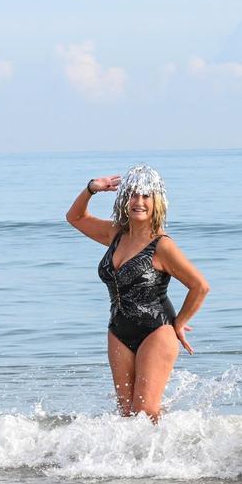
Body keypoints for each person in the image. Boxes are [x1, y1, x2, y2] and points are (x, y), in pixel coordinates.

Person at [65, 165, 209, 422]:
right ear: (124, 199)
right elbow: (75, 218)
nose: (138, 202)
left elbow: (199, 286)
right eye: (133, 195)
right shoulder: (115, 234)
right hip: (118, 331)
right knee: (126, 414)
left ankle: (171, 448)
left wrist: (179, 323)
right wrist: (91, 189)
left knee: (146, 411)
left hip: (156, 330)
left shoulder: (162, 245)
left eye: (145, 196)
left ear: (156, 202)